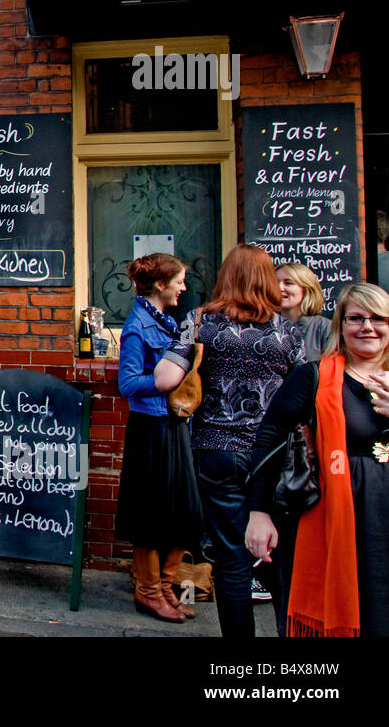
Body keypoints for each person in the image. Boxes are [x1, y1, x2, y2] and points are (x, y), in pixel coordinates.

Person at [156, 244, 304, 637]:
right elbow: (308, 393)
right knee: (279, 555)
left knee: (231, 558)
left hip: (217, 451)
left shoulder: (202, 322)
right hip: (273, 455)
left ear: (226, 278)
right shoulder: (287, 332)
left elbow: (165, 380)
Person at [246, 282, 389, 637]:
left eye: (378, 318)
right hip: (329, 517)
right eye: (356, 318)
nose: (367, 327)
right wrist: (258, 513)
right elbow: (269, 440)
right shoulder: (312, 378)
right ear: (341, 326)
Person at [115, 253, 201, 623]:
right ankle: (149, 590)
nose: (184, 288)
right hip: (150, 427)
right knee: (150, 514)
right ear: (161, 285)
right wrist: (162, 383)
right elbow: (128, 383)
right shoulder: (137, 327)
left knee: (181, 512)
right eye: (179, 281)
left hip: (172, 424)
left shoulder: (165, 320)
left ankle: (165, 587)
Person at [277, 261, 333, 361]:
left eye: (288, 283)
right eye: (274, 283)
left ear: (306, 289)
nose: (279, 288)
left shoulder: (326, 329)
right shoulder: (263, 328)